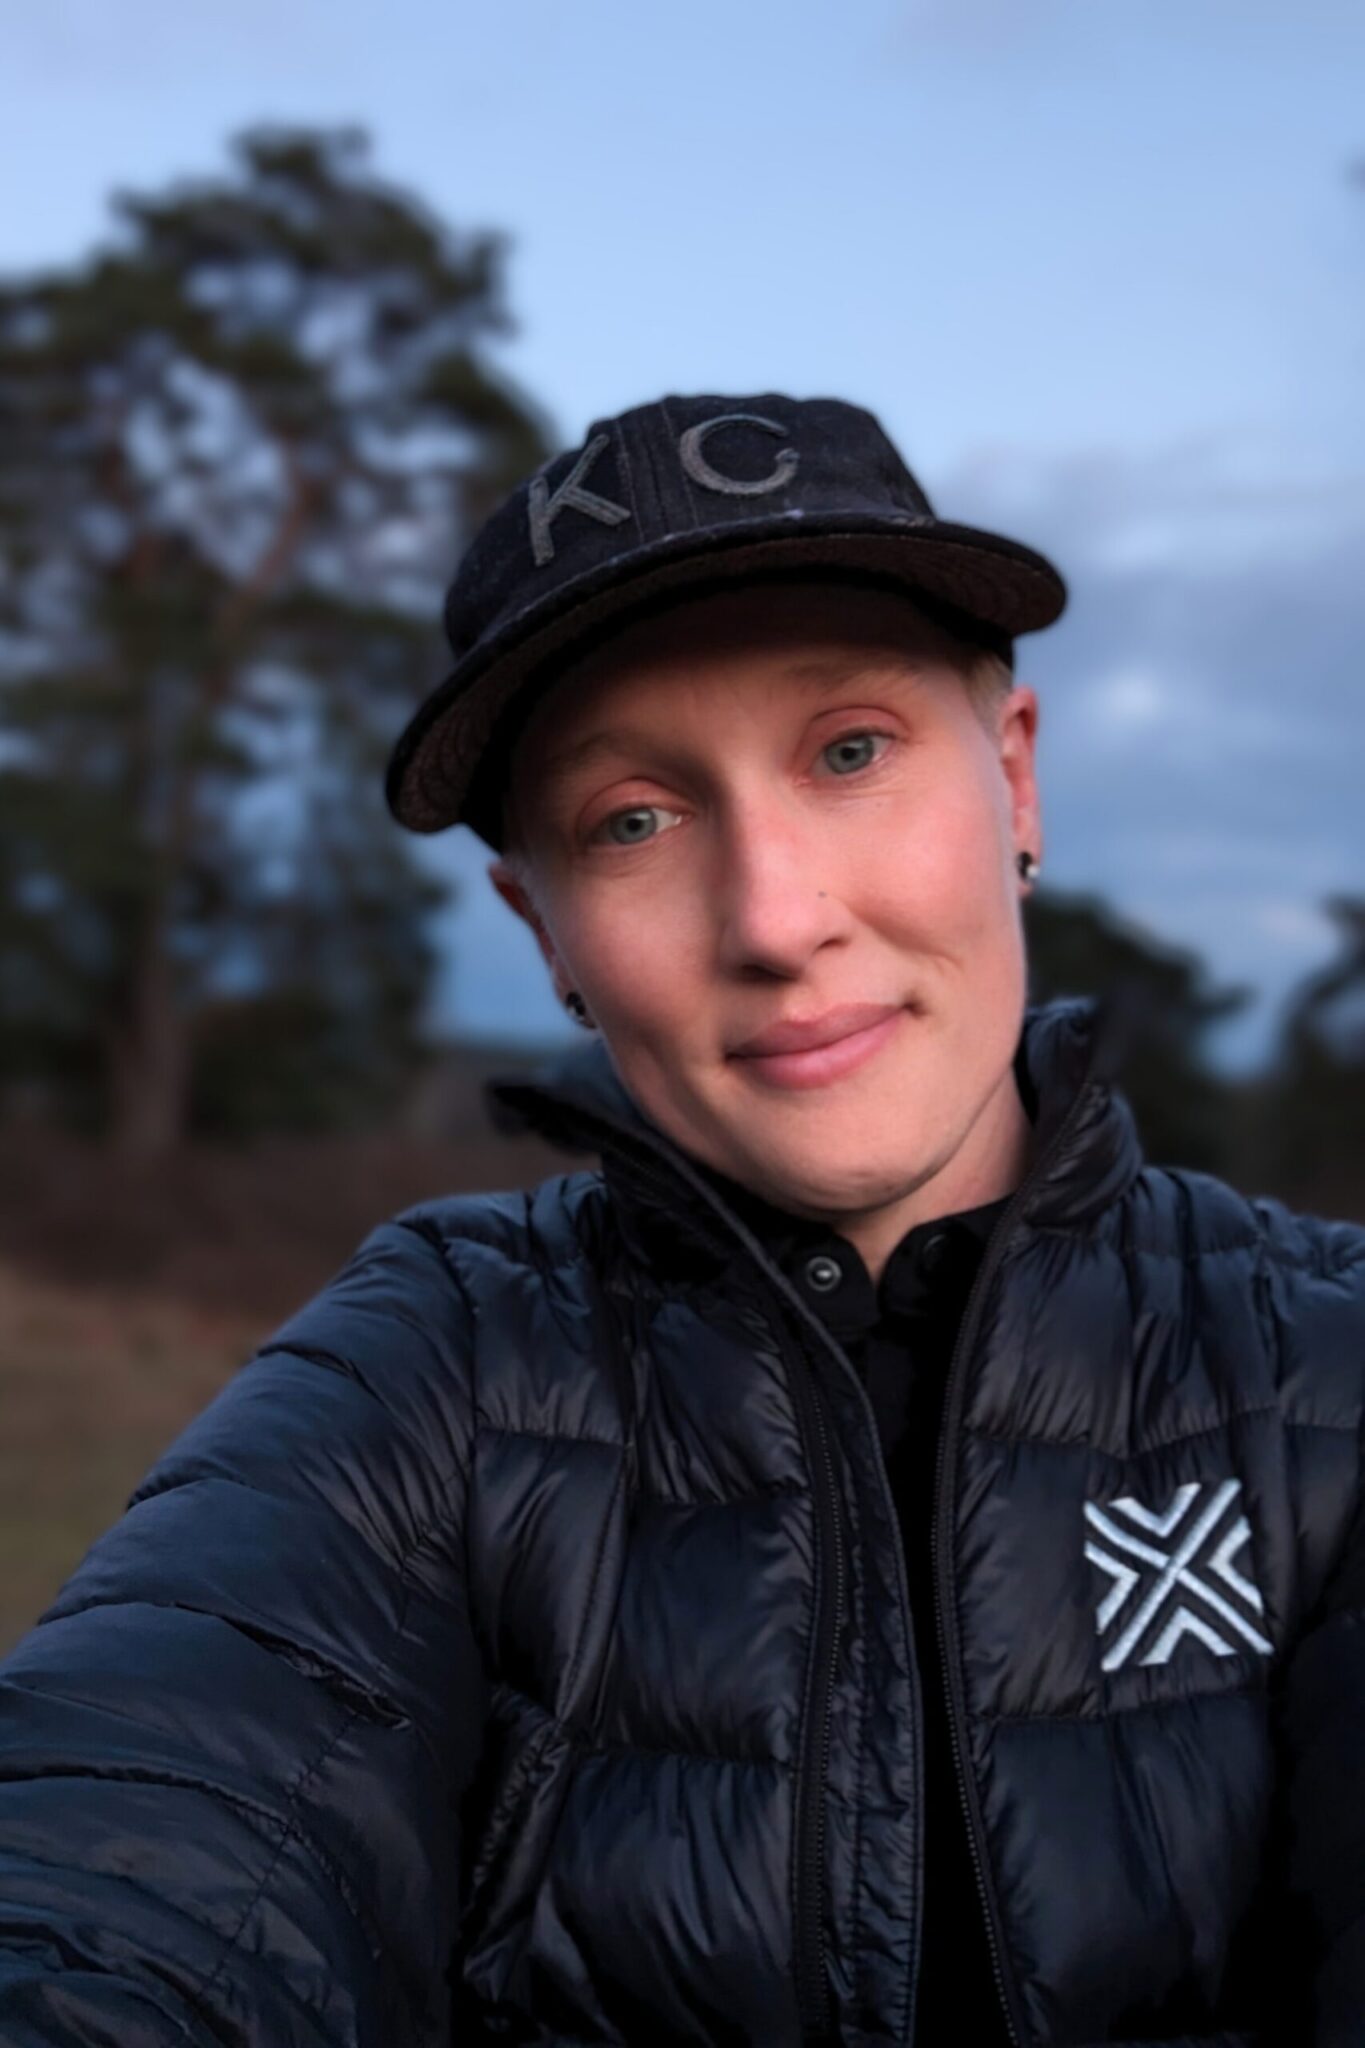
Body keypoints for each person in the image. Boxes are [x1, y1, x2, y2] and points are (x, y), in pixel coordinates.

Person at [0, 391, 1360, 2048]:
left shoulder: (1325, 1363)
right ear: (547, 933)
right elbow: (132, 1841)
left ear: (1011, 780)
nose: (775, 919)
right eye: (629, 822)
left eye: (848, 751)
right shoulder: (438, 1364)